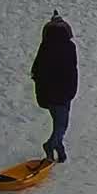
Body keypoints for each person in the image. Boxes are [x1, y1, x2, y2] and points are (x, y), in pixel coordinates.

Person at [30, 12, 77, 163]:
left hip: (48, 93)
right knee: (62, 125)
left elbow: (36, 71)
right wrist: (71, 90)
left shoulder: (45, 47)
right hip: (63, 93)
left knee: (59, 123)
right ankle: (51, 145)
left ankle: (60, 150)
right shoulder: (69, 46)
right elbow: (72, 70)